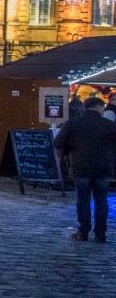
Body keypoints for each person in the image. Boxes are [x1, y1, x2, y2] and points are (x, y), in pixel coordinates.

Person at [54, 95, 116, 242]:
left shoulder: (73, 123)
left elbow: (58, 142)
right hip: (102, 168)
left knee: (83, 200)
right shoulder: (108, 125)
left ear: (85, 107)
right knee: (101, 201)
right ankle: (100, 233)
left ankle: (83, 231)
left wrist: (69, 150)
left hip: (80, 167)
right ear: (99, 107)